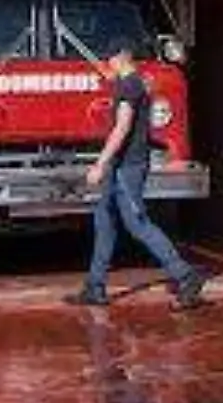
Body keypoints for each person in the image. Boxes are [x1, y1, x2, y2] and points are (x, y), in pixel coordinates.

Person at [65, 39, 206, 311]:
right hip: (121, 166)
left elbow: (122, 127)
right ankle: (95, 286)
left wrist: (100, 164)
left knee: (137, 223)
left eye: (110, 59)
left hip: (126, 167)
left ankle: (186, 276)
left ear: (121, 57)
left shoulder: (128, 85)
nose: (108, 64)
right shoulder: (136, 83)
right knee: (104, 220)